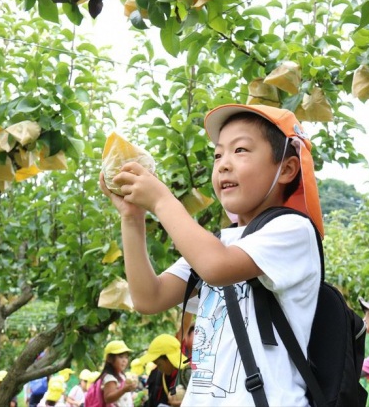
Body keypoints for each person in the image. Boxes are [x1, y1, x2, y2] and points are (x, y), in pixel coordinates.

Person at [100, 104, 324, 406]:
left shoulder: (293, 230)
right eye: (218, 154)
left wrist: (162, 200)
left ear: (286, 169)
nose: (223, 164)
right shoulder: (219, 242)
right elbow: (148, 298)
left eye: (240, 150)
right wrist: (132, 217)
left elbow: (216, 267)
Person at [139, 334, 191, 407]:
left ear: (169, 359)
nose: (159, 369)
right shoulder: (162, 375)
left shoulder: (188, 373)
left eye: (159, 364)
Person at [94, 340, 137, 406]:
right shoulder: (109, 378)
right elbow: (108, 398)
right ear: (109, 359)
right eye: (121, 357)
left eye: (126, 357)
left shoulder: (121, 375)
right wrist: (124, 390)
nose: (124, 360)